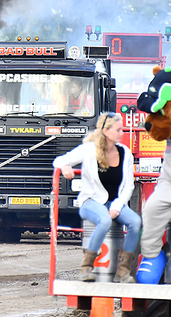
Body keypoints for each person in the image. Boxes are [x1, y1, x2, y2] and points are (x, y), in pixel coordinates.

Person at [53, 113, 142, 283]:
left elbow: (129, 185)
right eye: (118, 130)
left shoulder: (126, 153)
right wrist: (65, 167)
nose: (122, 133)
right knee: (104, 220)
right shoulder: (89, 149)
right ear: (106, 131)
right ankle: (86, 266)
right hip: (90, 202)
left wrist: (117, 206)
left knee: (136, 222)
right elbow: (59, 160)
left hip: (115, 203)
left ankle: (123, 271)